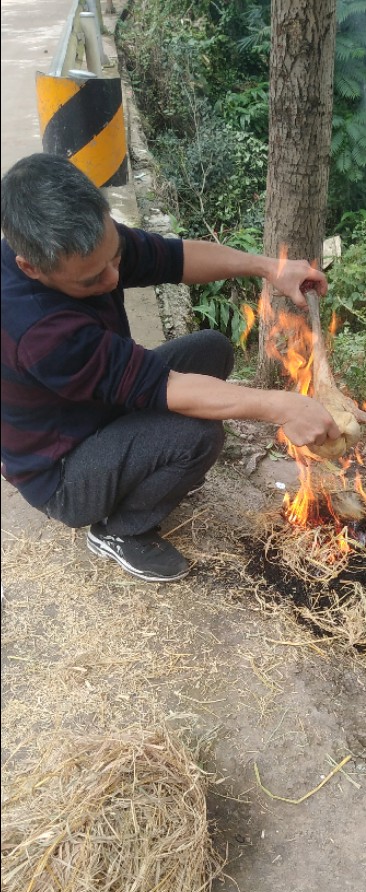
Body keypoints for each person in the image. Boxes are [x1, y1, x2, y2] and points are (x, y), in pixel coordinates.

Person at [1, 152, 340, 582]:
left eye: (115, 259)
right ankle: (119, 531)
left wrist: (269, 268)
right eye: (90, 281)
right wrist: (283, 406)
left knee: (211, 348)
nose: (111, 278)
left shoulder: (84, 246)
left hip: (91, 410)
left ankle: (145, 471)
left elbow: (171, 258)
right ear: (30, 267)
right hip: (62, 471)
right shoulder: (38, 330)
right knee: (196, 435)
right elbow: (160, 384)